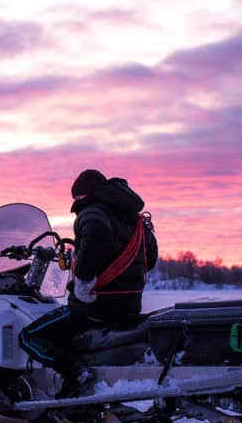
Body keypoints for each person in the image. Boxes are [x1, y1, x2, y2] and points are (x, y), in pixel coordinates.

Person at [18, 169, 158, 397]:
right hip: (129, 307)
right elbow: (149, 259)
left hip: (95, 308)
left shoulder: (93, 214)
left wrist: (83, 277)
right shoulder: (137, 221)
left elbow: (95, 240)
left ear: (85, 195)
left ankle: (76, 374)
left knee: (29, 336)